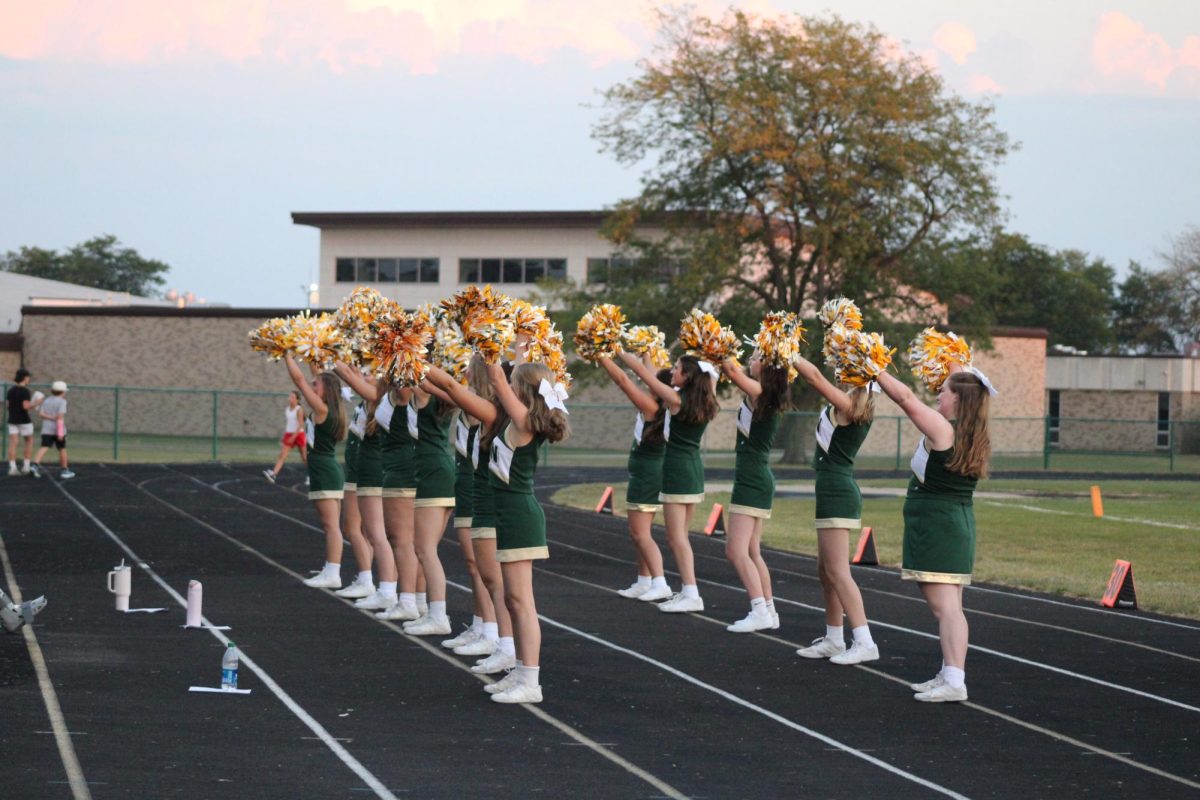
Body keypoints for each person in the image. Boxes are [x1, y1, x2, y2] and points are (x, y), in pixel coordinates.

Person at [877, 366, 993, 703]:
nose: (938, 394)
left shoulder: (944, 430)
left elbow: (905, 398)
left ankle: (956, 680)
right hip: (945, 522)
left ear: (958, 398)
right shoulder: (964, 430)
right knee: (949, 604)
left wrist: (874, 367)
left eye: (944, 390)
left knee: (947, 608)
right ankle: (948, 672)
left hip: (940, 526)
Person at [480, 351, 570, 704]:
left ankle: (531, 681)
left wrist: (484, 336)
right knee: (512, 598)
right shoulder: (518, 419)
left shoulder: (523, 421)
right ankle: (520, 670)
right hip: (509, 513)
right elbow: (505, 378)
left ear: (522, 390)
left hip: (519, 514)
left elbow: (498, 379)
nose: (506, 385)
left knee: (520, 600)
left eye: (513, 383)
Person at [426, 358, 517, 674]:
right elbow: (442, 388)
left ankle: (499, 637)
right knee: (475, 567)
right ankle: (483, 626)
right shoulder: (473, 407)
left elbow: (449, 387)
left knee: (489, 573)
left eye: (467, 369)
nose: (461, 373)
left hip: (484, 493)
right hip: (469, 490)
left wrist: (411, 358)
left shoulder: (488, 411)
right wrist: (405, 365)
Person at [792, 356, 879, 664]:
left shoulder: (849, 407)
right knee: (825, 570)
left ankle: (865, 640)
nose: (841, 368)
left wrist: (789, 351)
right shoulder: (846, 406)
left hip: (838, 492)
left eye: (848, 365)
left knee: (839, 572)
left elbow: (814, 377)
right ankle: (833, 638)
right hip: (830, 490)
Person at [618, 353, 719, 613]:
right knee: (680, 537)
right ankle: (688, 591)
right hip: (693, 471)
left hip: (676, 472)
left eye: (676, 368)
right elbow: (710, 375)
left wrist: (617, 351)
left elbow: (646, 377)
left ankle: (691, 592)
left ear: (687, 377)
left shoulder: (676, 400)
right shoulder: (708, 398)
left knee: (676, 539)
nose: (672, 371)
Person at [720, 352, 791, 633]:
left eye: (756, 357)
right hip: (755, 476)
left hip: (752, 478)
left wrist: (715, 345)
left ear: (769, 366)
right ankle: (769, 610)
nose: (750, 359)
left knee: (735, 551)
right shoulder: (763, 394)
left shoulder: (762, 393)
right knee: (752, 550)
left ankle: (759, 609)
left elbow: (732, 372)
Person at [596, 354, 672, 602]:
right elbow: (648, 374)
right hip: (645, 472)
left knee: (640, 533)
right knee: (639, 532)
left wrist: (603, 355)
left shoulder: (652, 407)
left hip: (648, 475)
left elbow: (623, 380)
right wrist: (647, 350)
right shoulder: (657, 403)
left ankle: (660, 581)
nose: (650, 381)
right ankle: (644, 580)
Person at [284, 353, 347, 590]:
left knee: (331, 525)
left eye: (316, 385)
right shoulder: (328, 407)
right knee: (330, 524)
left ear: (325, 390)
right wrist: (312, 350)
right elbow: (312, 375)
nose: (312, 384)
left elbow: (300, 380)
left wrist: (286, 353)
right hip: (326, 468)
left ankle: (333, 572)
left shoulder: (322, 409)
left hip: (325, 469)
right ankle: (331, 569)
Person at [264, 391, 308, 483]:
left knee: (304, 457)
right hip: (289, 434)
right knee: (282, 455)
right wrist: (286, 435)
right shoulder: (287, 409)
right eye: (289, 397)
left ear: (297, 399)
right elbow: (289, 423)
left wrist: (294, 436)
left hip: (299, 435)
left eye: (292, 397)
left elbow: (301, 424)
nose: (290, 399)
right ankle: (274, 475)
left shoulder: (299, 409)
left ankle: (312, 475)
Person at [31, 381, 72, 480]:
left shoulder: (47, 400)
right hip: (58, 429)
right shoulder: (62, 402)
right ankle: (64, 470)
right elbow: (60, 417)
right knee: (62, 449)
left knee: (44, 447)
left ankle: (35, 465)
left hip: (46, 429)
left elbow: (41, 414)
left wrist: (50, 417)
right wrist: (60, 432)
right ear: (63, 392)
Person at [6, 368, 40, 476]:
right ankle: (26, 467)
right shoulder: (25, 391)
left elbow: (8, 405)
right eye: (28, 377)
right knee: (29, 441)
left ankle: (12, 468)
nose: (29, 379)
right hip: (24, 420)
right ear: (25, 378)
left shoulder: (10, 391)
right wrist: (37, 402)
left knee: (13, 443)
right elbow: (26, 406)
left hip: (12, 419)